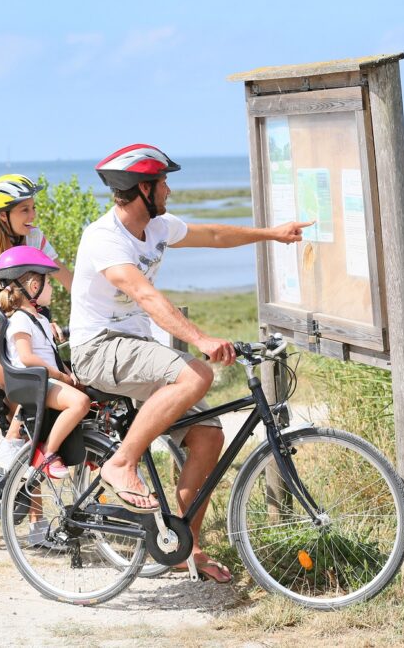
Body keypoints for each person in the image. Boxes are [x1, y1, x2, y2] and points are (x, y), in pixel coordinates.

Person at [69, 143, 312, 582]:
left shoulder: (159, 226)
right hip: (98, 348)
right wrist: (199, 338)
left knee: (207, 436)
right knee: (195, 372)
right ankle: (121, 463)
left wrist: (272, 234)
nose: (169, 189)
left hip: (136, 349)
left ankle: (188, 550)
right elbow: (144, 294)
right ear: (142, 189)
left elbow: (214, 236)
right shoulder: (103, 238)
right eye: (162, 182)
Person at [0, 174, 72, 469]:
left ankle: (33, 514)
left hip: (22, 341)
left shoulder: (35, 239)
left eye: (33, 208)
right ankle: (10, 444)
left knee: (37, 429)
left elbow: (66, 276)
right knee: (36, 381)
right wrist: (40, 322)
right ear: (2, 217)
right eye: (25, 210)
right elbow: (0, 297)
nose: (33, 216)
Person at [0, 246, 90, 480]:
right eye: (49, 284)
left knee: (88, 391)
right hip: (33, 383)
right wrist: (60, 376)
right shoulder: (19, 320)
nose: (52, 289)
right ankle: (47, 452)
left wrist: (68, 372)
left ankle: (87, 450)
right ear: (34, 287)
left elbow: (50, 354)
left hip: (44, 380)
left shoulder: (40, 320)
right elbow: (27, 357)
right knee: (80, 402)